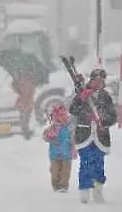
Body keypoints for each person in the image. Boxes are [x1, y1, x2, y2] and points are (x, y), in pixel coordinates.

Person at [68, 68, 117, 204]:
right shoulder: (82, 93)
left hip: (100, 138)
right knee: (86, 163)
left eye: (101, 81)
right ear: (91, 80)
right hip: (85, 135)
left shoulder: (105, 97)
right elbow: (72, 109)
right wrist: (82, 101)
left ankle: (98, 190)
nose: (98, 83)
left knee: (98, 165)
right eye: (96, 80)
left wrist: (103, 119)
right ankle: (84, 190)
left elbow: (113, 117)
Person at [42, 103, 75, 192]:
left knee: (65, 171)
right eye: (60, 116)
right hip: (54, 155)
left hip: (67, 154)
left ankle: (63, 186)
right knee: (54, 171)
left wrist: (74, 149)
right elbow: (45, 137)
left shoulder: (69, 128)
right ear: (55, 117)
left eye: (65, 115)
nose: (63, 118)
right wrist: (49, 136)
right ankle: (55, 185)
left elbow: (73, 139)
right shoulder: (52, 128)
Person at [13, 72, 36, 140]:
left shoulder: (23, 82)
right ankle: (26, 133)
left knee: (24, 118)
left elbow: (21, 92)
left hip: (24, 103)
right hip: (26, 104)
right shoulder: (28, 82)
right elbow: (27, 93)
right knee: (25, 118)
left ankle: (25, 132)